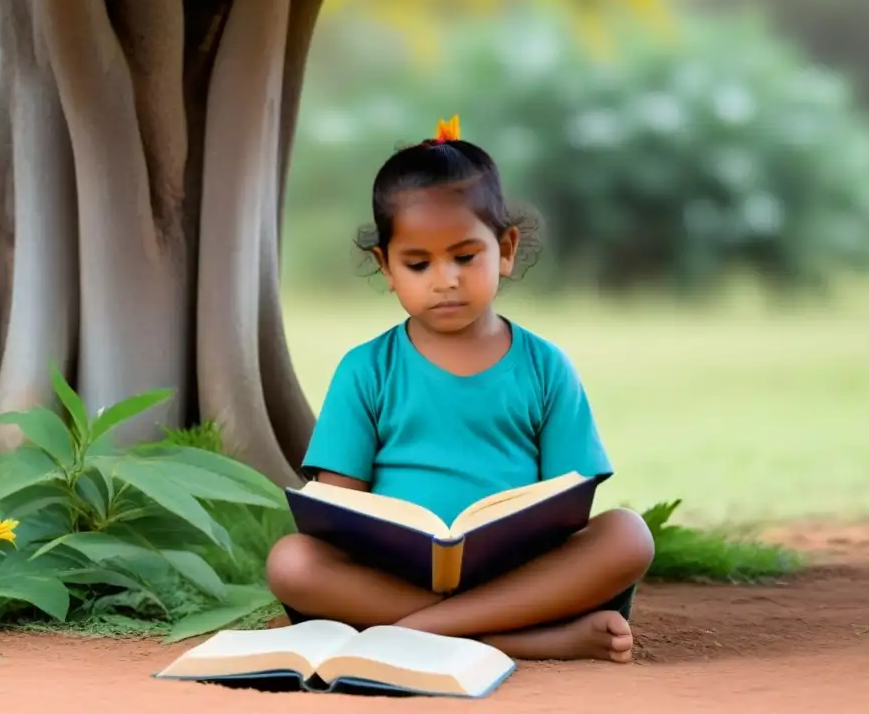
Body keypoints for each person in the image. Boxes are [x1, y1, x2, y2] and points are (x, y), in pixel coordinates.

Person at [266, 115, 654, 663]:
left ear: (506, 249)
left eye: (465, 257)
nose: (445, 279)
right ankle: (513, 639)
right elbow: (340, 510)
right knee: (292, 561)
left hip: (519, 574)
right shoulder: (365, 369)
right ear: (386, 267)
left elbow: (571, 505)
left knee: (628, 536)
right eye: (418, 263)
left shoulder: (545, 367)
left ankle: (414, 634)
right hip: (396, 576)